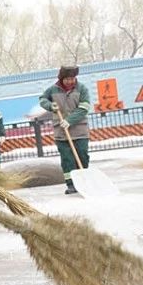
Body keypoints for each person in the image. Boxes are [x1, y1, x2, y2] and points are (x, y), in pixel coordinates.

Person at [39, 65, 92, 195]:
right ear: (61, 79)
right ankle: (71, 184)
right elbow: (42, 99)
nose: (70, 81)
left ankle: (84, 181)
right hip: (61, 132)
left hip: (80, 130)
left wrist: (69, 120)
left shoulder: (82, 89)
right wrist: (50, 106)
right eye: (67, 79)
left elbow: (84, 108)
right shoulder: (53, 89)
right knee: (67, 159)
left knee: (82, 155)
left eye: (72, 78)